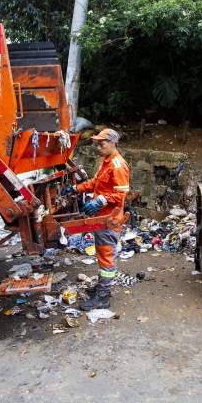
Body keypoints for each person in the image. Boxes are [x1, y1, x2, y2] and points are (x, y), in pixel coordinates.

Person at [64, 128, 130, 310]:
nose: (98, 147)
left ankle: (103, 297)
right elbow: (95, 183)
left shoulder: (117, 165)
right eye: (97, 143)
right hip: (103, 218)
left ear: (112, 143)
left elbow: (121, 195)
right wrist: (76, 189)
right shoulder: (106, 162)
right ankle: (102, 288)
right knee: (103, 254)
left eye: (102, 143)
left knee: (107, 256)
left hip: (110, 219)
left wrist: (99, 201)